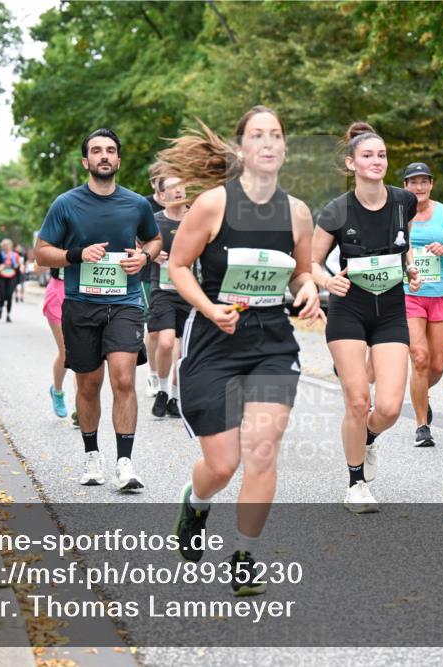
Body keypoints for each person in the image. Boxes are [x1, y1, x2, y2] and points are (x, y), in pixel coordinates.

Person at [159, 106, 322, 596]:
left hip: (271, 341)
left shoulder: (297, 213)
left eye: (276, 135)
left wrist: (309, 285)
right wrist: (210, 309)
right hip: (214, 340)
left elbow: (300, 269)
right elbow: (179, 267)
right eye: (258, 135)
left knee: (262, 451)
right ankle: (197, 501)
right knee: (223, 464)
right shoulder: (212, 205)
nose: (268, 143)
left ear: (284, 149)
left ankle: (245, 554)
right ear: (242, 148)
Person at [35, 127, 162, 492]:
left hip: (124, 303)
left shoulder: (136, 204)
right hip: (81, 304)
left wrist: (145, 256)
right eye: (96, 150)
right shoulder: (66, 204)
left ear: (118, 160)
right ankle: (93, 455)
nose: (104, 155)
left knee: (124, 378)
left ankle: (125, 462)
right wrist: (76, 254)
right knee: (89, 384)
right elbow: (42, 253)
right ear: (85, 161)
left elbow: (153, 238)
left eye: (110, 150)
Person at [311, 122, 421, 514]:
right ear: (351, 162)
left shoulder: (404, 201)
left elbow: (400, 244)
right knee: (358, 401)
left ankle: (369, 437)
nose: (377, 161)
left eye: (382, 155)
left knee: (389, 408)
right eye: (368, 155)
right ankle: (355, 482)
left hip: (390, 309)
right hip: (349, 309)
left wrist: (409, 268)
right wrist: (327, 282)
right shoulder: (337, 210)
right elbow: (313, 261)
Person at [401, 162, 443, 447]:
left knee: (437, 364)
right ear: (405, 187)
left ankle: (421, 393)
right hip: (410, 293)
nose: (419, 187)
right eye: (413, 182)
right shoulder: (400, 214)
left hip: (441, 293)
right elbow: (394, 247)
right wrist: (407, 264)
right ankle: (422, 426)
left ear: (431, 185)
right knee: (419, 358)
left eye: (424, 182)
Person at [148, 174, 190, 419]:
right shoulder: (154, 222)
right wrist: (152, 254)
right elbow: (139, 246)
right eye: (171, 187)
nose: (178, 190)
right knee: (165, 342)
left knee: (184, 351)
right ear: (161, 195)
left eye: (181, 185)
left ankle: (174, 396)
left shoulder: (196, 218)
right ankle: (162, 389)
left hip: (190, 291)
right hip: (162, 290)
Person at [143, 162, 165, 399]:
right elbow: (134, 237)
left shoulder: (185, 206)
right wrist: (152, 253)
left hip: (179, 276)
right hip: (149, 274)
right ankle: (153, 373)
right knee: (156, 330)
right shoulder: (144, 206)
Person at [43, 266, 76, 421]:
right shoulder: (55, 241)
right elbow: (39, 264)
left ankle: (80, 403)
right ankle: (57, 391)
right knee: (66, 351)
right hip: (58, 292)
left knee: (82, 353)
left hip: (83, 294)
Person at [0, 238, 22, 322]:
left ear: (11, 246)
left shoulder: (15, 255)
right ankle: (0, 308)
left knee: (9, 296)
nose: (6, 247)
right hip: (2, 277)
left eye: (8, 245)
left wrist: (19, 266)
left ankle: (8, 315)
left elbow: (19, 264)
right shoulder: (0, 255)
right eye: (4, 246)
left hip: (12, 277)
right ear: (2, 246)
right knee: (2, 295)